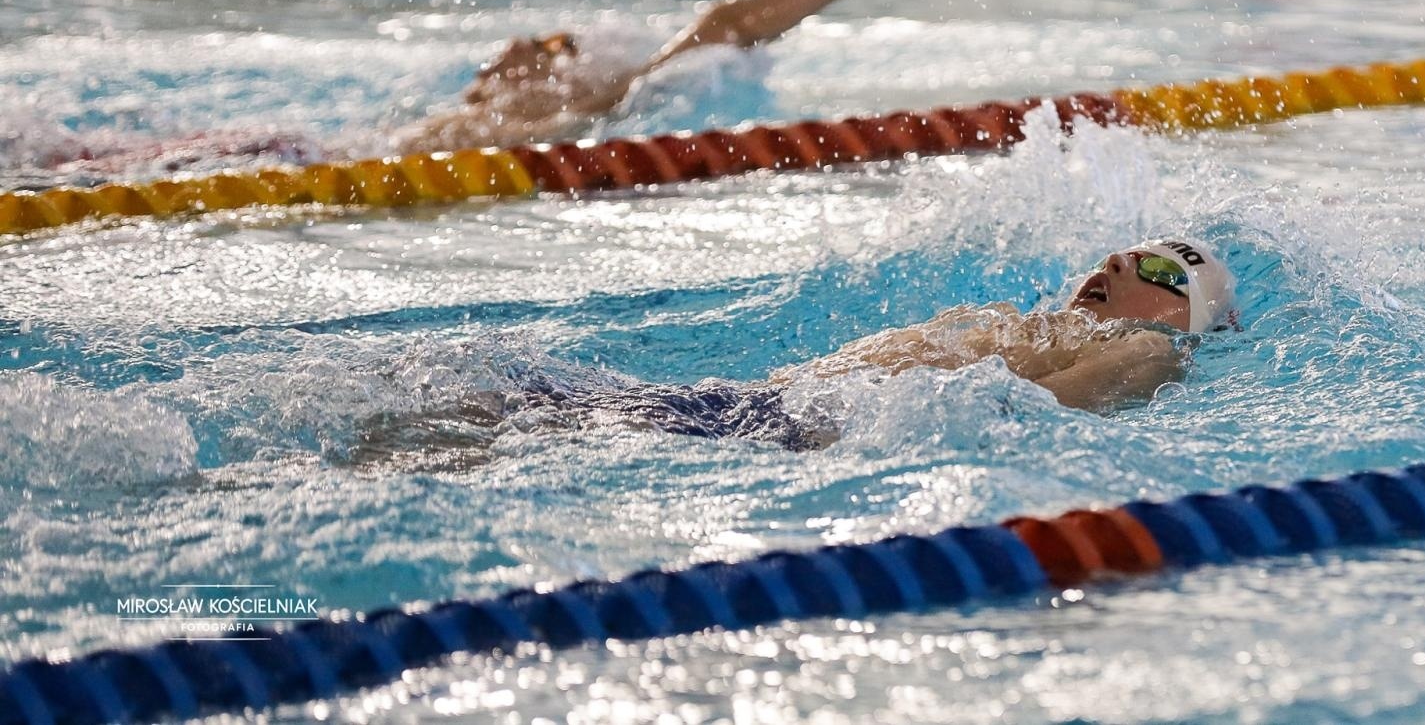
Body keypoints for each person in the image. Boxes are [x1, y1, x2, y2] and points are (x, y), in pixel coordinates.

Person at [36, 0, 984, 175]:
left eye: (554, 40)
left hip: (321, 168)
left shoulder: (591, 107)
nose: (528, 39)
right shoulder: (525, 107)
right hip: (307, 161)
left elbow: (727, 28)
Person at [353, 239, 1239, 459]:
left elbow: (1030, 418)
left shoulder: (1149, 353)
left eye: (1157, 264)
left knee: (473, 424)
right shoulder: (1043, 322)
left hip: (786, 434)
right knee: (471, 405)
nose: (1119, 259)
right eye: (1124, 247)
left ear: (1179, 313)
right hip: (740, 403)